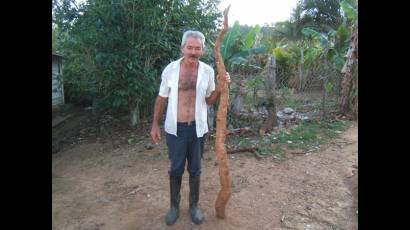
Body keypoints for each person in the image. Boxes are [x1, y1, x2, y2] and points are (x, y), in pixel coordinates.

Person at [150, 30, 230, 225]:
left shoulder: (208, 71)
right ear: (182, 48)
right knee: (176, 169)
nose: (193, 52)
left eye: (197, 48)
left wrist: (220, 87)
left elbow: (209, 101)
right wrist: (154, 125)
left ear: (202, 50)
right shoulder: (170, 69)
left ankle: (193, 206)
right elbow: (161, 98)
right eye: (190, 47)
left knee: (195, 169)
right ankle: (174, 207)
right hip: (175, 129)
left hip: (197, 128)